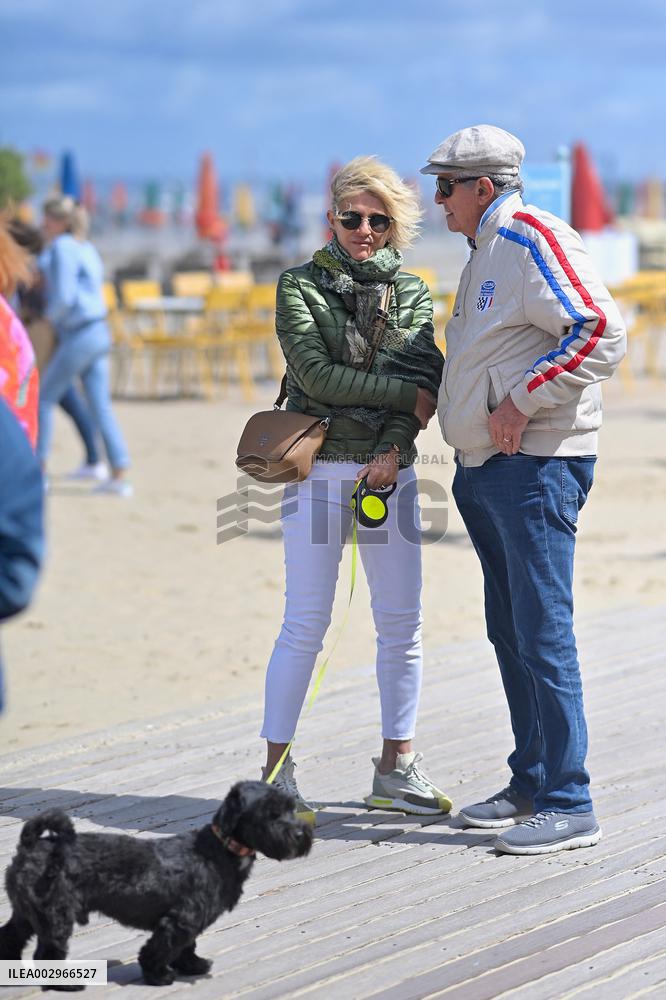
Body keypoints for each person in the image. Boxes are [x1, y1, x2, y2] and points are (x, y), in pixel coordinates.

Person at [420, 124, 627, 854]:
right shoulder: (488, 247)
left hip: (535, 466)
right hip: (491, 469)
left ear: (485, 185)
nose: (436, 198)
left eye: (445, 184)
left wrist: (519, 403)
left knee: (542, 632)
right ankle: (533, 781)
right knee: (510, 632)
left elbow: (600, 329)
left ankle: (571, 802)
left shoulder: (529, 234)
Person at [259, 156, 449, 824]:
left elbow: (423, 375)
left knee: (402, 623)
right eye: (352, 216)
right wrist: (407, 392)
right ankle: (276, 772)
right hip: (316, 471)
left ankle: (396, 767)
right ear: (332, 216)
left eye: (378, 218)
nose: (364, 229)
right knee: (305, 621)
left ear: (396, 223)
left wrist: (396, 447)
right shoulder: (298, 286)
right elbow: (316, 376)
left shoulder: (417, 293)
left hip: (387, 475)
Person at [38, 196, 132, 496]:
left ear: (61, 221)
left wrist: (46, 320)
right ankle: (118, 472)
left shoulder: (64, 247)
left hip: (79, 332)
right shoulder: (85, 245)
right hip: (98, 330)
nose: (43, 224)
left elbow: (64, 296)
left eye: (48, 219)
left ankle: (36, 470)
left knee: (42, 398)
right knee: (100, 405)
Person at [8, 218, 106, 481]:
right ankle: (95, 459)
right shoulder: (53, 257)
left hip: (38, 335)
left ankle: (38, 466)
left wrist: (47, 319)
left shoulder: (35, 267)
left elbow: (56, 299)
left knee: (50, 397)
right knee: (65, 396)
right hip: (44, 335)